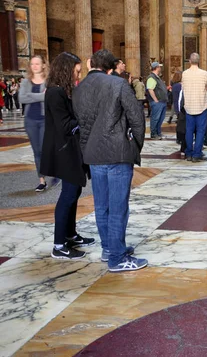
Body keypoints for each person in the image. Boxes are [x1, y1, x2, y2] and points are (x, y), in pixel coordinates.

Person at [72, 49, 146, 272]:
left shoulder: (79, 88)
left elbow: (81, 126)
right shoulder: (118, 84)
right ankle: (117, 257)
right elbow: (137, 118)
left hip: (93, 154)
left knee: (102, 206)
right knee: (118, 207)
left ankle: (109, 248)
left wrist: (87, 151)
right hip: (117, 153)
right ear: (111, 67)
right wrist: (135, 146)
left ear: (89, 63)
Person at [41, 52, 95, 260]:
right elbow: (64, 125)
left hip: (70, 149)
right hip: (63, 150)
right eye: (77, 71)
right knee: (68, 195)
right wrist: (86, 120)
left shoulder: (63, 91)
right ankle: (59, 245)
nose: (78, 75)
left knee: (74, 192)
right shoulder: (55, 93)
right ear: (67, 69)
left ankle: (70, 234)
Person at [20, 55, 54, 192]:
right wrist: (41, 96)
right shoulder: (25, 82)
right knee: (37, 151)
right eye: (32, 64)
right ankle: (42, 180)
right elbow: (22, 98)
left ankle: (55, 171)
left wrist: (31, 96)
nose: (34, 66)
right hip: (30, 120)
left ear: (43, 65)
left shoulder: (49, 81)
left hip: (45, 119)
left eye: (37, 64)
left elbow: (50, 97)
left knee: (46, 149)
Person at [181, 53, 207, 162]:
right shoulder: (204, 74)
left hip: (189, 106)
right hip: (201, 105)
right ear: (198, 61)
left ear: (189, 61)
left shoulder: (184, 74)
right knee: (200, 131)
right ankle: (197, 154)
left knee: (189, 130)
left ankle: (189, 153)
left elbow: (183, 87)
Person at [146, 62, 169, 139]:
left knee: (160, 118)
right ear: (156, 67)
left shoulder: (157, 77)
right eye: (159, 66)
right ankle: (153, 134)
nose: (160, 68)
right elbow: (150, 89)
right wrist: (155, 99)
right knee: (155, 118)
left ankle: (158, 133)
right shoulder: (151, 77)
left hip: (162, 101)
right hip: (157, 102)